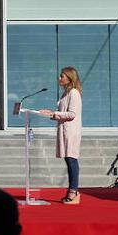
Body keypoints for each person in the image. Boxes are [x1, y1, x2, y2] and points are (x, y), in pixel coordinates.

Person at [38, 66, 83, 204]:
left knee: (71, 160)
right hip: (64, 130)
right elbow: (62, 112)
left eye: (62, 76)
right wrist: (51, 112)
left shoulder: (74, 93)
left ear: (69, 78)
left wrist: (54, 114)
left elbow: (72, 114)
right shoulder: (66, 93)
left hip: (71, 131)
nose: (59, 78)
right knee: (69, 160)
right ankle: (72, 190)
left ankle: (73, 191)